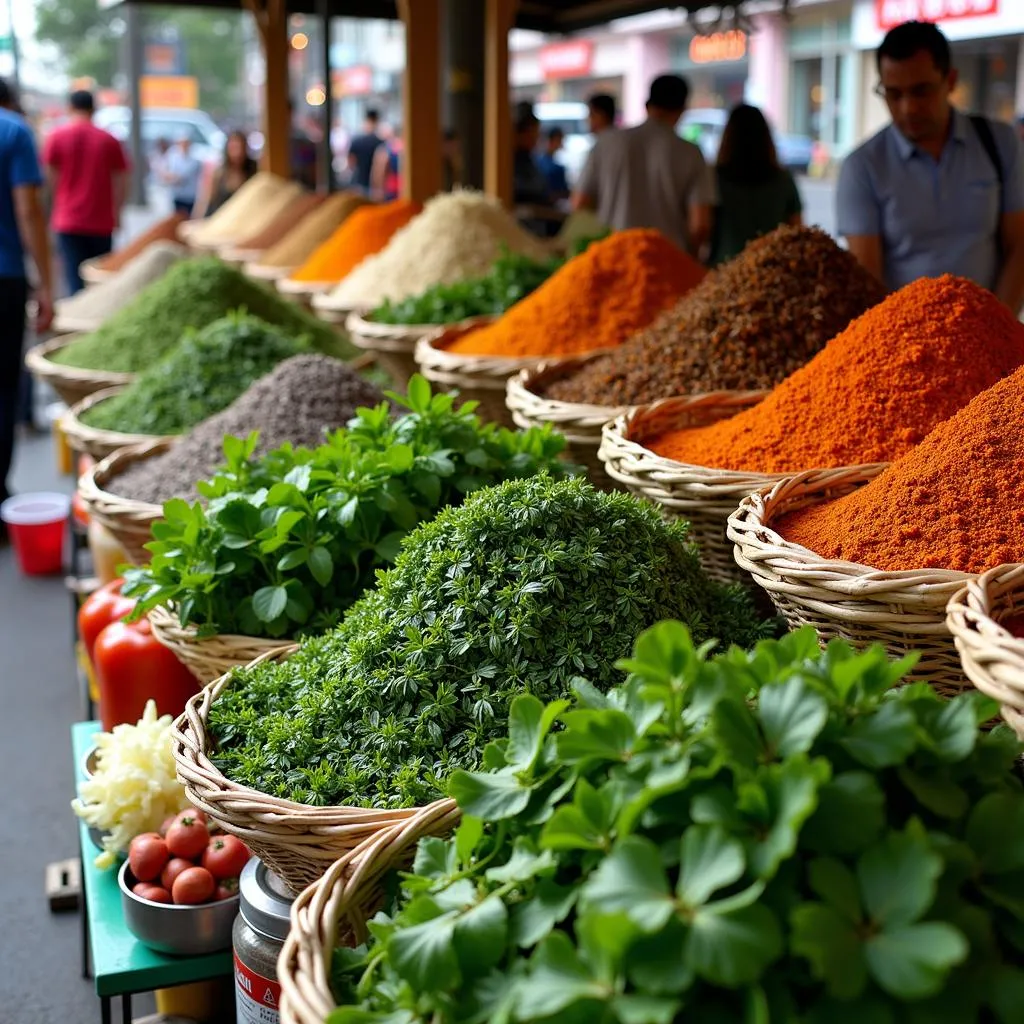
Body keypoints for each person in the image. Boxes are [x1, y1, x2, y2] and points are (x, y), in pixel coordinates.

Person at [838, 20, 1024, 313]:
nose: (908, 107)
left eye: (921, 91)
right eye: (894, 94)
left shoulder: (1000, 144)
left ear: (950, 80)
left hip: (990, 333)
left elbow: (1019, 246)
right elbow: (867, 278)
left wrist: (995, 326)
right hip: (904, 340)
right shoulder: (862, 167)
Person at [573, 75, 712, 256]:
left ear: (647, 106)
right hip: (669, 261)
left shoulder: (606, 143)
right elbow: (700, 225)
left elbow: (580, 203)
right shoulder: (691, 153)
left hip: (611, 257)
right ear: (682, 109)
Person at [0, 79, 52, 519]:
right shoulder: (13, 131)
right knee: (3, 387)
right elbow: (27, 210)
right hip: (5, 276)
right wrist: (46, 283)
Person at [42, 89, 127, 295]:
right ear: (93, 109)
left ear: (70, 107)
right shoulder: (108, 140)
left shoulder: (56, 137)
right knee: (99, 283)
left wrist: (48, 214)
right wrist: (117, 213)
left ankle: (76, 324)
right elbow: (122, 180)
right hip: (101, 221)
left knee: (74, 280)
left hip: (67, 220)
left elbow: (48, 181)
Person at [709, 104, 803, 266]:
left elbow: (702, 227)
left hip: (723, 268)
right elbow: (797, 230)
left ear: (728, 137)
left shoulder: (715, 178)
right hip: (771, 270)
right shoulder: (782, 179)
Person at [193, 130, 257, 218]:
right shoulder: (219, 173)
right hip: (223, 220)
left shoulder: (254, 171)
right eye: (234, 148)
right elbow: (207, 200)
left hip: (246, 220)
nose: (237, 153)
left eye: (240, 148)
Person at [161, 134, 203, 216]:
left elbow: (182, 176)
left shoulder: (194, 160)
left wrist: (173, 177)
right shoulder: (172, 157)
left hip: (189, 196)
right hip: (176, 195)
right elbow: (164, 173)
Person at [347, 110, 384, 194]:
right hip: (374, 185)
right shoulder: (380, 142)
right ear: (377, 121)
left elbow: (351, 163)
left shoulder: (357, 141)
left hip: (358, 182)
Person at [538, 127, 570, 201]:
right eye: (560, 140)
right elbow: (564, 193)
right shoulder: (556, 168)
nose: (561, 143)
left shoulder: (537, 160)